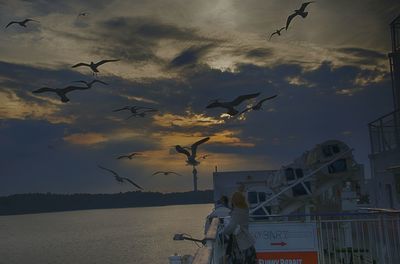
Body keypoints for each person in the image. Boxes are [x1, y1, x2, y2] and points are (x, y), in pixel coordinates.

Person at [222, 191, 256, 264]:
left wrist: (222, 233)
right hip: (248, 243)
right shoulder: (245, 209)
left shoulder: (237, 212)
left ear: (234, 201)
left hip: (242, 245)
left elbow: (231, 228)